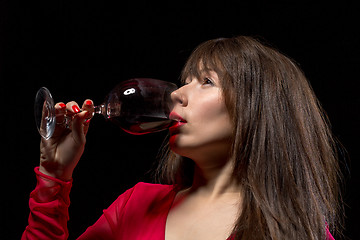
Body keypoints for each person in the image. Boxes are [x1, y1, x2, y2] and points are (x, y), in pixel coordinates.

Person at [22, 36, 344, 240]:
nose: (177, 94)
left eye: (206, 81)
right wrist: (54, 175)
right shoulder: (137, 205)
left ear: (258, 108)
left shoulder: (298, 232)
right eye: (184, 81)